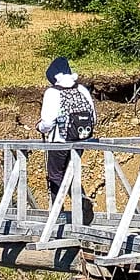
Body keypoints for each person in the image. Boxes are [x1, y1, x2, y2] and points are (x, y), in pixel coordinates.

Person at [38, 56, 96, 218]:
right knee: (71, 172)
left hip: (60, 141)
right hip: (81, 139)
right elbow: (94, 118)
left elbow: (47, 122)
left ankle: (58, 213)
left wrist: (40, 127)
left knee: (56, 173)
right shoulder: (82, 89)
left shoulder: (53, 92)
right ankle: (82, 203)